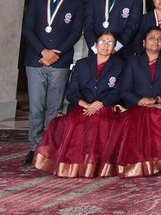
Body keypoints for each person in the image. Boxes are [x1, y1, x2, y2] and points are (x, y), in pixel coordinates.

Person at [32, 30, 124, 177]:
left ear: (114, 48)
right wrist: (86, 105)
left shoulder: (120, 65)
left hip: (105, 106)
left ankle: (94, 164)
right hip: (82, 106)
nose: (105, 45)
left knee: (98, 122)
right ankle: (73, 163)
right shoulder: (82, 64)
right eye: (102, 42)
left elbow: (119, 91)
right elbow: (71, 91)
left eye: (109, 43)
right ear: (95, 45)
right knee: (76, 123)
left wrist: (99, 103)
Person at [22, 0, 85, 166]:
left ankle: (50, 147)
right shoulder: (38, 0)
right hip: (36, 59)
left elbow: (76, 32)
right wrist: (43, 51)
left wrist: (56, 53)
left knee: (54, 107)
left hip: (60, 61)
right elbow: (28, 28)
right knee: (36, 106)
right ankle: (34, 146)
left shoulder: (77, 3)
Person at [110, 26, 161, 176]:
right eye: (152, 38)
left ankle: (160, 163)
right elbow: (124, 90)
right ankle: (137, 163)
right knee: (137, 121)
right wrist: (140, 100)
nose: (156, 41)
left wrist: (157, 100)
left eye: (160, 39)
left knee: (160, 119)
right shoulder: (132, 61)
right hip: (138, 105)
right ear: (144, 42)